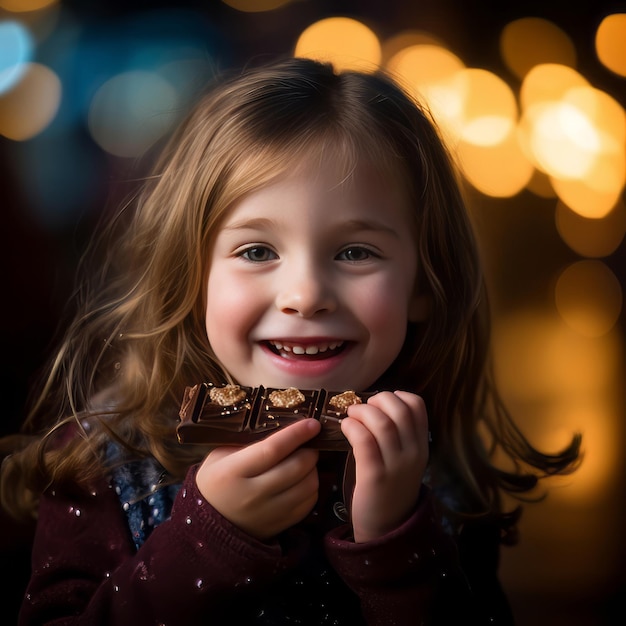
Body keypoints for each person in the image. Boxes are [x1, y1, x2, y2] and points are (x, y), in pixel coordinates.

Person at [0, 56, 581, 625]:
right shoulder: (101, 464)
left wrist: (397, 544)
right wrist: (206, 540)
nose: (304, 295)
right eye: (257, 251)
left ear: (424, 284)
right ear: (192, 277)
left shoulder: (443, 477)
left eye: (355, 252)